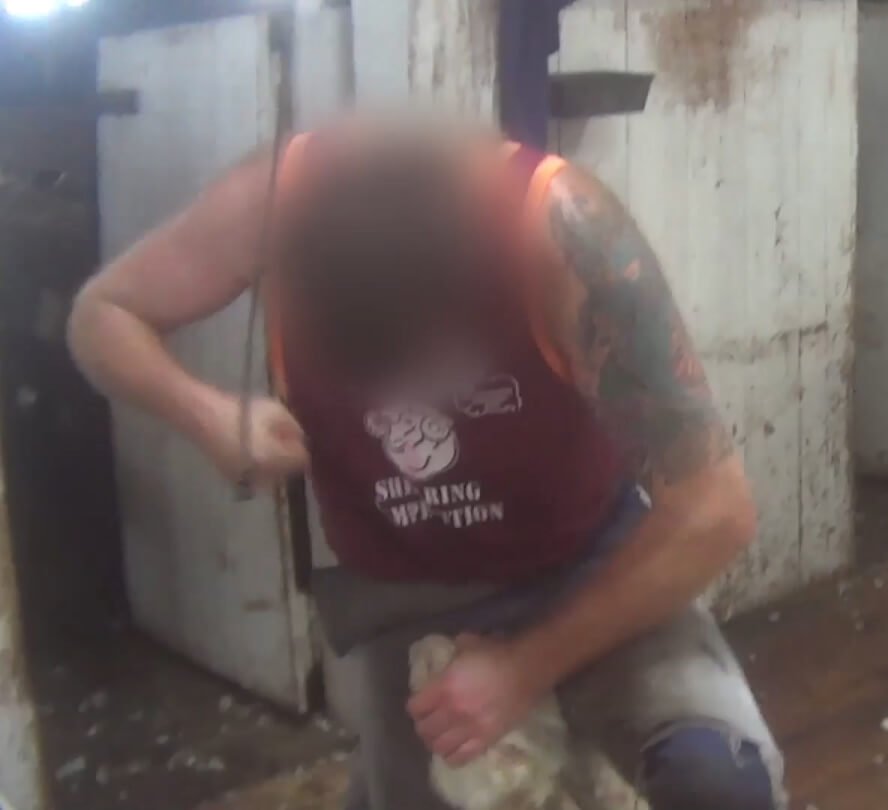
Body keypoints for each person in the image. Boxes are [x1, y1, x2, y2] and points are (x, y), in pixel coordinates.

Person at [68, 118, 785, 810]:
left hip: (587, 563)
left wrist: (520, 671)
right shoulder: (267, 206)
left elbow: (715, 512)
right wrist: (213, 418)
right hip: (407, 594)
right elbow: (102, 313)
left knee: (719, 782)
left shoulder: (563, 229)